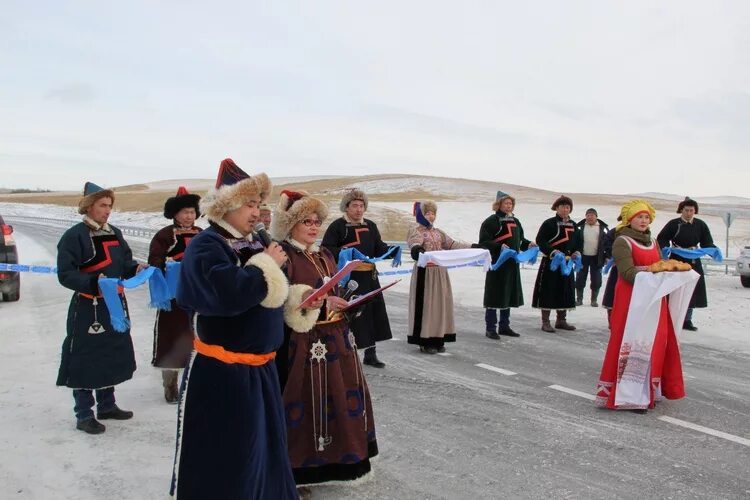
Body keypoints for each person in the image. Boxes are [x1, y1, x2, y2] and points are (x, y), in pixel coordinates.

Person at [170, 159, 297, 499]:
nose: (257, 212)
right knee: (229, 460)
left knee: (266, 454)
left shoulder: (255, 242)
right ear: (226, 206)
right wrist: (268, 265)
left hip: (262, 370)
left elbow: (271, 294)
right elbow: (226, 295)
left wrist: (299, 301)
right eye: (249, 204)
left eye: (259, 204)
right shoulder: (207, 245)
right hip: (223, 375)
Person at [272, 190, 378, 489]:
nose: (314, 227)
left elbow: (331, 290)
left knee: (340, 406)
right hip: (302, 347)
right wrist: (314, 302)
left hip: (336, 341)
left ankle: (335, 463)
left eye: (317, 221)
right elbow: (278, 300)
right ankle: (297, 474)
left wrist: (343, 302)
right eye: (306, 220)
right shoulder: (283, 255)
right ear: (290, 223)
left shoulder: (325, 254)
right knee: (305, 407)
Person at [56, 182, 145, 434]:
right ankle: (84, 413)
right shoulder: (74, 236)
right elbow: (65, 274)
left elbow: (124, 262)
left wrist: (134, 268)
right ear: (89, 206)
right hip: (88, 306)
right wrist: (94, 282)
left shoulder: (114, 232)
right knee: (86, 356)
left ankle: (107, 405)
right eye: (102, 205)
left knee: (110, 352)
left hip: (114, 304)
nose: (108, 211)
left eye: (110, 206)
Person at [595, 200, 686, 411]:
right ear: (630, 219)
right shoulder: (622, 241)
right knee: (632, 342)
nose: (644, 221)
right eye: (639, 217)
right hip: (630, 299)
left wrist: (670, 274)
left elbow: (661, 265)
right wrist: (654, 272)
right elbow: (627, 273)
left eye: (646, 217)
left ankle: (648, 390)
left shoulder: (653, 241)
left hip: (653, 300)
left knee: (653, 342)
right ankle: (630, 394)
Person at [321, 188, 396, 368]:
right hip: (349, 279)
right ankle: (345, 353)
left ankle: (370, 354)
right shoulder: (338, 226)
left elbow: (378, 247)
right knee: (349, 315)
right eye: (354, 205)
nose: (359, 209)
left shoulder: (370, 226)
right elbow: (326, 249)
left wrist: (391, 250)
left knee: (371, 315)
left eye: (362, 206)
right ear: (346, 207)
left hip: (369, 277)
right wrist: (346, 253)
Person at [148, 186, 202, 403]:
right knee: (172, 339)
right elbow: (155, 262)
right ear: (175, 214)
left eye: (192, 212)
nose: (189, 216)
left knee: (197, 338)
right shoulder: (164, 236)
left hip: (197, 297)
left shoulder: (202, 234)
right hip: (173, 298)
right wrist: (170, 267)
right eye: (185, 212)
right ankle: (170, 385)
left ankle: (195, 382)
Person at [406, 200, 472, 353]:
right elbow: (414, 243)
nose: (431, 216)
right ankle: (425, 341)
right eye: (427, 213)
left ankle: (439, 338)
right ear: (421, 215)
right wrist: (417, 249)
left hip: (440, 272)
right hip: (426, 272)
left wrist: (473, 247)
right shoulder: (416, 230)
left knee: (440, 305)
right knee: (427, 305)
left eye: (433, 213)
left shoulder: (438, 232)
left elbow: (452, 244)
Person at [478, 191, 535, 339]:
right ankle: (490, 327)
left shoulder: (516, 221)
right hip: (497, 264)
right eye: (506, 203)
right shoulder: (491, 221)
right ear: (499, 204)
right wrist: (498, 247)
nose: (509, 206)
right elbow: (484, 242)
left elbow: (520, 240)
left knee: (508, 294)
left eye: (511, 203)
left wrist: (529, 245)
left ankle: (504, 326)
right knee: (494, 295)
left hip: (511, 265)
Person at [656, 197, 716, 331]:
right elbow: (662, 238)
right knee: (674, 288)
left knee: (692, 289)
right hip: (676, 259)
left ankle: (687, 320)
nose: (689, 213)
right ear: (681, 210)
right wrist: (665, 248)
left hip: (694, 260)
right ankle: (669, 317)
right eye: (686, 210)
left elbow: (707, 241)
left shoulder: (700, 225)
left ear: (695, 211)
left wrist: (712, 250)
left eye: (692, 210)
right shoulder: (673, 224)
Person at [531, 195, 582, 332]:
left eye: (567, 207)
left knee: (565, 289)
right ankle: (545, 321)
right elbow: (541, 241)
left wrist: (577, 252)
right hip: (551, 263)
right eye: (562, 207)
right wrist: (553, 252)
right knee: (549, 289)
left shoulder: (574, 225)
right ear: (556, 208)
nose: (565, 210)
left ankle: (561, 320)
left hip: (567, 264)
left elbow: (579, 242)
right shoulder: (549, 223)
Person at [575, 208, 609, 307]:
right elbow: (575, 241)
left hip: (597, 258)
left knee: (596, 279)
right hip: (582, 257)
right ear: (585, 217)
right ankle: (579, 299)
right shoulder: (580, 227)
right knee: (580, 278)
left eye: (592, 215)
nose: (590, 217)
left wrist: (607, 256)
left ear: (596, 217)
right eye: (588, 215)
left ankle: (594, 300)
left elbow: (607, 244)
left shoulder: (603, 228)